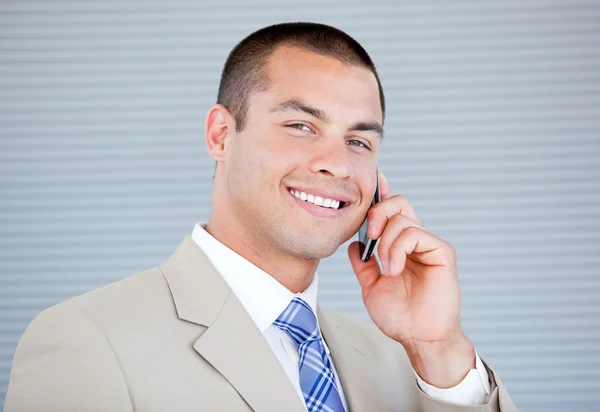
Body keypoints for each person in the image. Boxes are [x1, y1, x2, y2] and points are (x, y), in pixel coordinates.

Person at [4, 22, 518, 411]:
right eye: (299, 125)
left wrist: (441, 350)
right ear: (221, 136)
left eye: (359, 140)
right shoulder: (85, 341)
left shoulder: (405, 363)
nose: (336, 163)